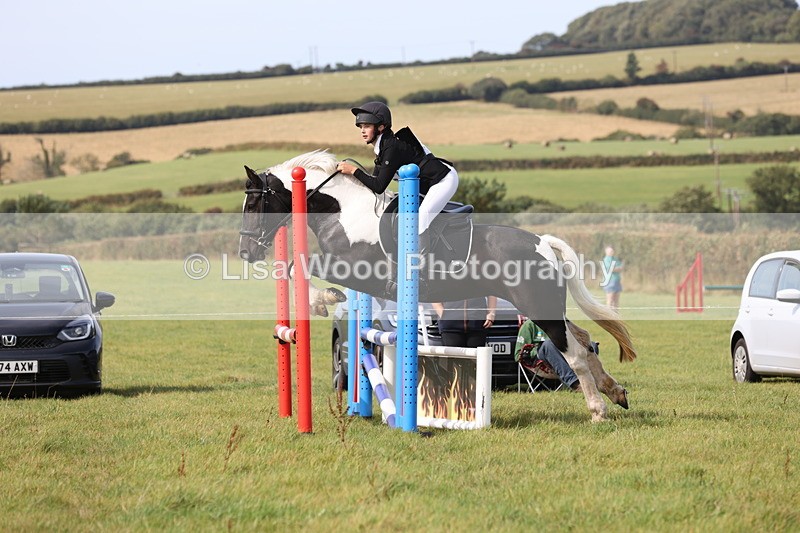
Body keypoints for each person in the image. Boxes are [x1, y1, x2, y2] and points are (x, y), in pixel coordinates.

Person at [336, 101, 459, 250]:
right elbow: (374, 183)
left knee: (420, 221)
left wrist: (353, 171)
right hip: (426, 184)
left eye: (367, 126)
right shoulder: (383, 147)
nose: (362, 131)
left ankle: (421, 266)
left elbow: (379, 186)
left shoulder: (391, 148)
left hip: (443, 180)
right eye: (361, 127)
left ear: (381, 127)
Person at [514, 318, 582, 392]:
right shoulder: (529, 325)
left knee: (591, 345)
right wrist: (535, 350)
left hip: (566, 357)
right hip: (541, 362)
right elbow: (518, 354)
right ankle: (575, 383)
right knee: (549, 344)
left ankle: (593, 381)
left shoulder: (563, 322)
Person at [433, 296, 497, 348]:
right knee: (455, 360)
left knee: (476, 360)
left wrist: (491, 313)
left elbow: (492, 292)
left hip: (477, 323)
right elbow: (434, 292)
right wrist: (443, 314)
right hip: (451, 327)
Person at [602, 246, 623, 310]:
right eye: (610, 251)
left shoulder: (615, 259)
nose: (612, 252)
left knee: (616, 300)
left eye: (612, 251)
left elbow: (621, 267)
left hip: (617, 280)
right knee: (610, 299)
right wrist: (616, 268)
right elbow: (611, 269)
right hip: (610, 281)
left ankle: (616, 316)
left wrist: (617, 268)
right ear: (606, 252)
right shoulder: (606, 260)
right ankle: (609, 315)